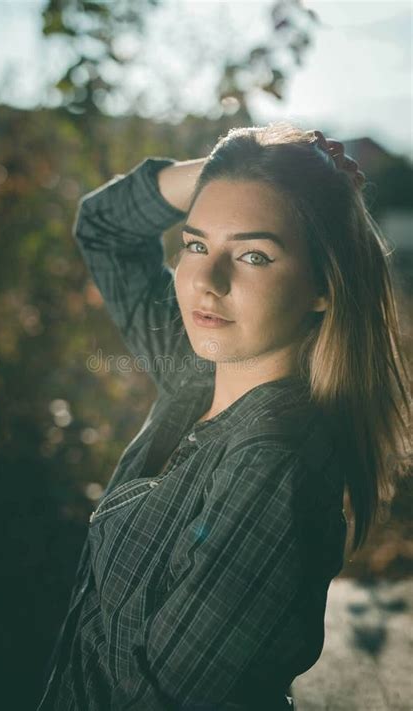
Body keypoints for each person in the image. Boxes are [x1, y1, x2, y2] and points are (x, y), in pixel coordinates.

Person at [36, 123, 410, 710]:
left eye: (254, 255)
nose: (206, 282)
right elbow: (104, 226)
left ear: (323, 285)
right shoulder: (197, 370)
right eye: (195, 245)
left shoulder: (270, 465)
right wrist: (231, 162)